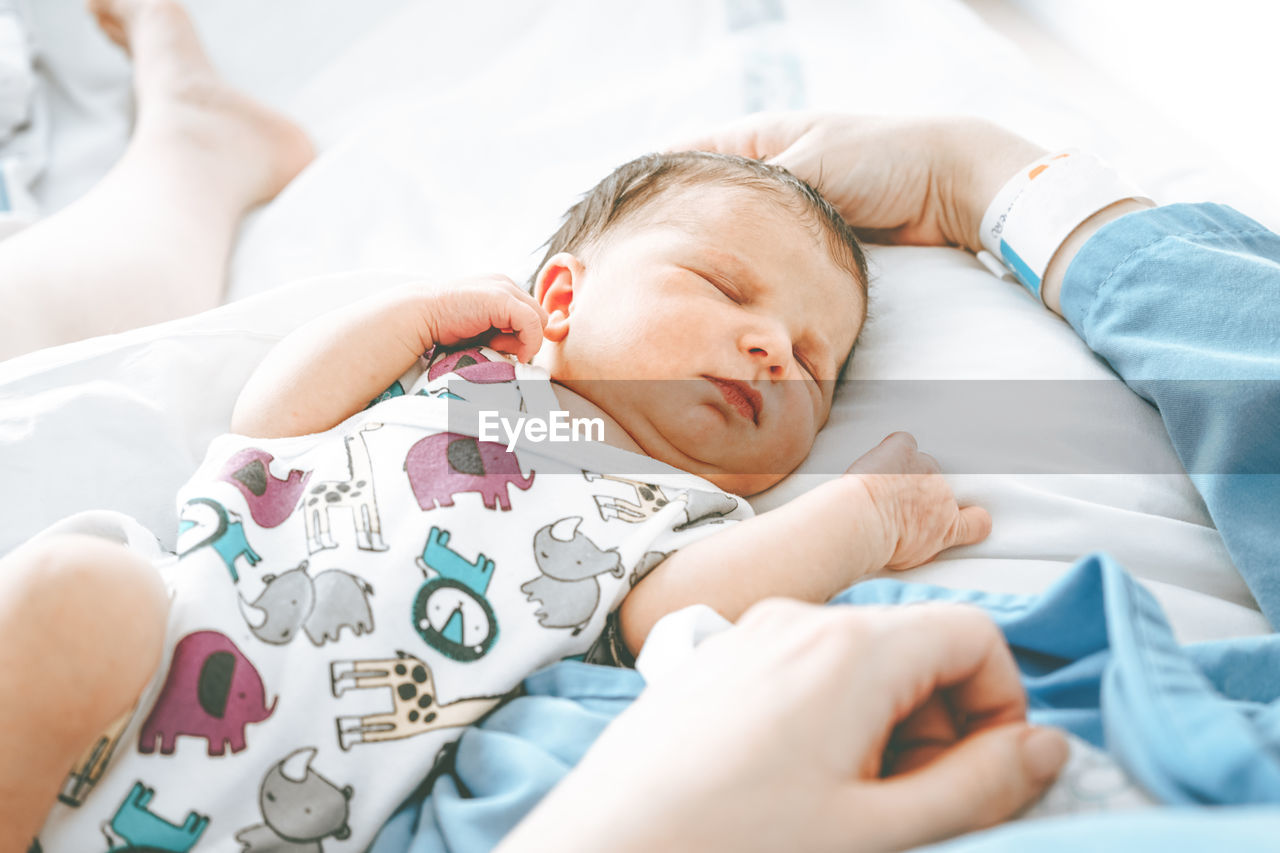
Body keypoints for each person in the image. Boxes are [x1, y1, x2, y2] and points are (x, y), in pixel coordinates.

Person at [4, 6, 1000, 848]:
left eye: (811, 362)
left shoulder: (685, 516)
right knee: (78, 589)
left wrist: (859, 516)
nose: (771, 350)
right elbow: (273, 421)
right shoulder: (463, 371)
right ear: (560, 298)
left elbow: (665, 616)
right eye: (723, 288)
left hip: (347, 814)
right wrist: (412, 316)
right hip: (142, 677)